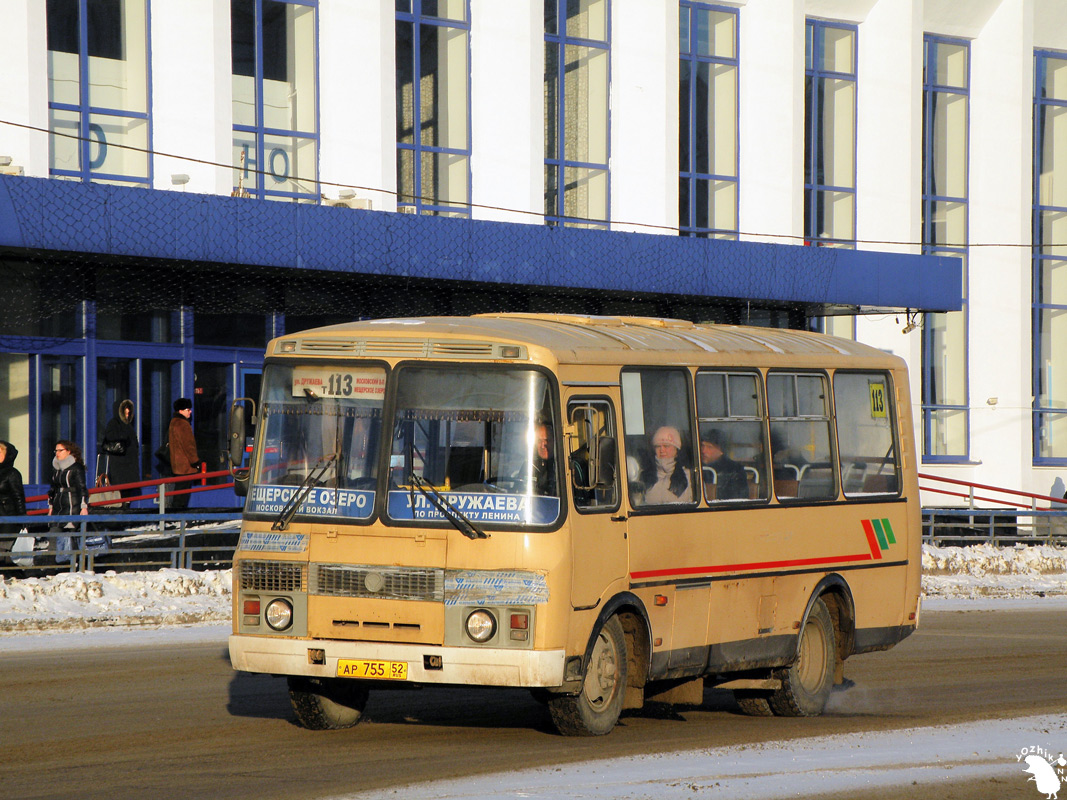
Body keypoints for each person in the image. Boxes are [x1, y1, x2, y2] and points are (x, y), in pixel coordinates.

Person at [101, 399, 141, 503]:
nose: (127, 414)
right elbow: (109, 436)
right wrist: (124, 437)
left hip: (129, 465)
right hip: (121, 465)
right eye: (125, 412)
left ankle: (125, 511)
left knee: (127, 493)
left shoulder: (128, 425)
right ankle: (123, 513)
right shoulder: (114, 423)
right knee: (122, 492)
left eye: (129, 412)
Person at [641, 425, 692, 505]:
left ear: (676, 449)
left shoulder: (690, 477)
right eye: (658, 446)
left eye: (666, 446)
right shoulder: (644, 476)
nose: (662, 450)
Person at [168, 398, 200, 510]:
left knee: (179, 492)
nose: (190, 411)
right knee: (182, 495)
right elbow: (188, 445)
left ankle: (176, 515)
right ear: (181, 411)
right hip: (185, 467)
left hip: (178, 466)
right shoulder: (183, 424)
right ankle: (178, 516)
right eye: (188, 409)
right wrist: (195, 461)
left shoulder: (173, 422)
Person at [700, 427, 749, 501]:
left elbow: (737, 501)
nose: (703, 451)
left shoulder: (734, 471)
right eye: (702, 446)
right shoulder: (695, 468)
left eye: (710, 447)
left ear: (721, 450)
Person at [0, 440, 27, 563]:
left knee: (3, 550)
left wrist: (22, 519)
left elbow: (18, 497)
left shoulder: (12, 473)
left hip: (7, 517)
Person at [531, 422, 557, 496]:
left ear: (555, 441)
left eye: (547, 441)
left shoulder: (566, 466)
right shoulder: (529, 466)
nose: (543, 446)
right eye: (539, 441)